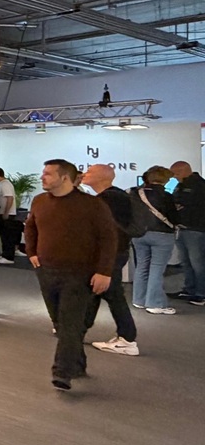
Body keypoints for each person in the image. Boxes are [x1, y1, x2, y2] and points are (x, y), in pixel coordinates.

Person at [25, 159, 116, 392]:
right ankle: (77, 363)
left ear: (64, 177)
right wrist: (31, 252)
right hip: (47, 271)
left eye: (48, 174)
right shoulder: (40, 201)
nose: (42, 177)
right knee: (60, 322)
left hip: (79, 273)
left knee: (69, 323)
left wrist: (104, 271)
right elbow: (31, 226)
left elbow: (108, 238)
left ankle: (62, 372)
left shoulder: (92, 205)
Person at [79, 165, 139, 357]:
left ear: (102, 177)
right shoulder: (114, 197)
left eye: (89, 172)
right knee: (97, 290)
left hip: (111, 254)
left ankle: (127, 339)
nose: (84, 174)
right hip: (112, 253)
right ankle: (78, 329)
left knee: (112, 294)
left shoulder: (110, 199)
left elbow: (106, 231)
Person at [130, 165, 180, 315]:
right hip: (162, 235)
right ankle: (155, 303)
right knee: (157, 268)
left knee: (142, 266)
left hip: (139, 234)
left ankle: (139, 299)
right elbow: (174, 217)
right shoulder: (166, 196)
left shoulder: (135, 193)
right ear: (164, 179)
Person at [169, 161, 205, 305]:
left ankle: (201, 293)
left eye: (176, 173)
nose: (174, 177)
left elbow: (194, 205)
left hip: (196, 229)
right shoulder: (181, 185)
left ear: (185, 170)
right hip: (182, 228)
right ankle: (189, 289)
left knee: (198, 263)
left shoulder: (200, 186)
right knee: (186, 262)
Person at [0, 167, 18, 265]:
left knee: (7, 236)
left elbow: (10, 198)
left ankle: (8, 257)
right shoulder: (1, 184)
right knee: (4, 235)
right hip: (2, 213)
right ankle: (5, 255)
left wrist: (6, 212)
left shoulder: (5, 184)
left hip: (7, 214)